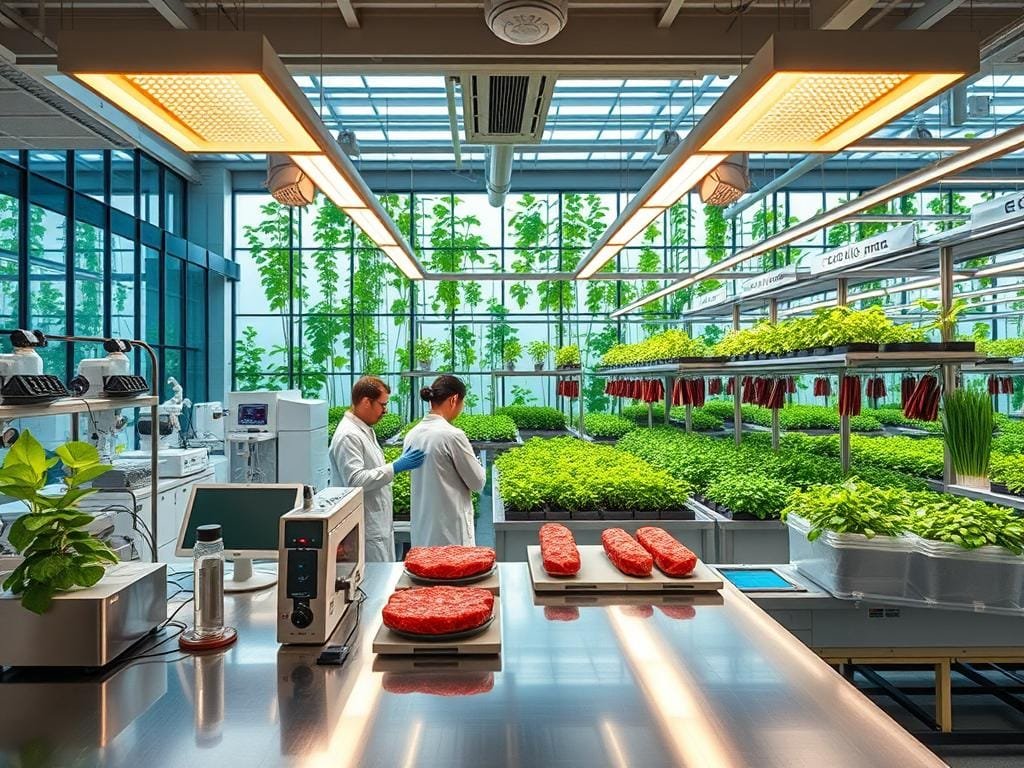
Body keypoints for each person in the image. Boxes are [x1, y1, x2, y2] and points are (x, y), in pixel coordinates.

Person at [329, 376, 425, 562]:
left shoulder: (363, 429)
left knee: (382, 580)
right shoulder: (348, 435)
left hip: (377, 524)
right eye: (382, 404)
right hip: (366, 529)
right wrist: (395, 467)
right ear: (366, 402)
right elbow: (356, 480)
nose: (385, 410)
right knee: (373, 583)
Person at [403, 375, 486, 547]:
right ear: (454, 399)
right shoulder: (452, 436)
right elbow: (478, 482)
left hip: (423, 533)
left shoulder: (412, 435)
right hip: (451, 535)